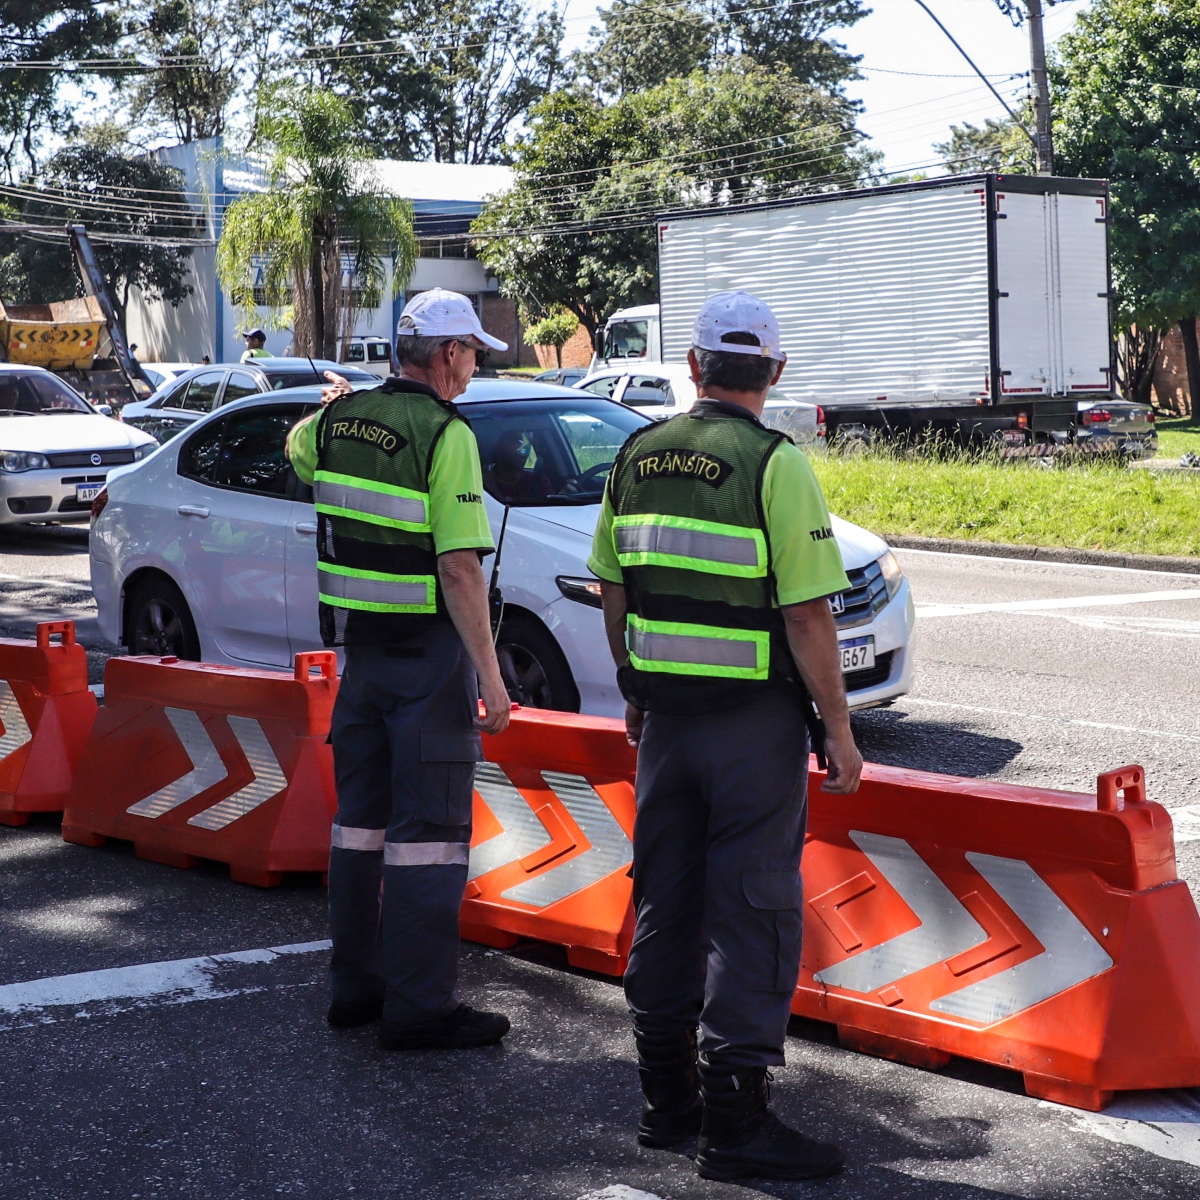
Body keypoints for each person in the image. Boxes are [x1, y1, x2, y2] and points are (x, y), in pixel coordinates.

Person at [587, 291, 863, 1182]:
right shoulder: (774, 464)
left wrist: (634, 684)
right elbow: (810, 613)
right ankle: (736, 1125)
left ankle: (667, 1105)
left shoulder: (634, 452)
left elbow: (615, 585)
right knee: (752, 911)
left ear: (697, 367)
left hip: (666, 725)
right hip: (752, 728)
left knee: (666, 899)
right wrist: (841, 728)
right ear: (774, 371)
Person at [285, 288, 514, 1051]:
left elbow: (297, 449)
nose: (475, 365)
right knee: (429, 838)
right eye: (473, 351)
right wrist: (491, 674)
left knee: (359, 830)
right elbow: (458, 569)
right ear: (446, 355)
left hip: (365, 661)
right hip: (427, 664)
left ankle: (355, 989)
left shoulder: (338, 422)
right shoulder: (446, 433)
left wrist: (332, 407)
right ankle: (419, 1009)